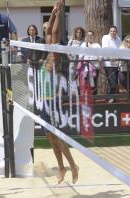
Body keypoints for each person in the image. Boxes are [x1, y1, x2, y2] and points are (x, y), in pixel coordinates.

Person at [43, 0, 79, 184]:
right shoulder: (46, 52)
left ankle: (72, 165)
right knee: (50, 138)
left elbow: (54, 32)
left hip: (53, 102)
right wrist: (53, 12)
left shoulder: (55, 55)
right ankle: (62, 167)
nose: (48, 36)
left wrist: (58, 14)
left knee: (57, 136)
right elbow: (49, 31)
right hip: (44, 101)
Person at [101, 25, 122, 103]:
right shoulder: (105, 38)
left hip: (117, 64)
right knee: (112, 81)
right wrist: (110, 58)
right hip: (108, 64)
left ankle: (112, 97)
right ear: (109, 32)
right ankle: (111, 98)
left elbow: (121, 49)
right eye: (111, 31)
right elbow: (105, 49)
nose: (113, 32)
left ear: (116, 32)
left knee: (114, 81)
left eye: (114, 31)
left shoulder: (118, 39)